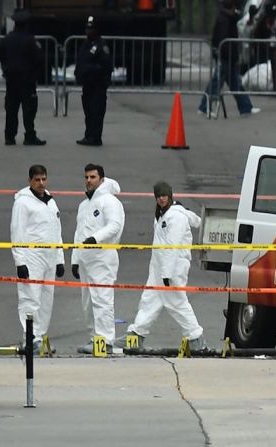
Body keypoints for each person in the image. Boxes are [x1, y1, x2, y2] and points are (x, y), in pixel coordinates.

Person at [116, 182, 206, 350]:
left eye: (164, 195)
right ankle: (136, 335)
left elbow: (172, 247)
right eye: (158, 196)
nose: (161, 199)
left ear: (170, 196)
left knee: (177, 303)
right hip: (159, 268)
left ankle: (196, 338)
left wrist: (167, 274)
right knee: (149, 301)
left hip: (172, 269)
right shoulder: (162, 214)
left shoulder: (176, 217)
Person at [71, 164, 125, 354]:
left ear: (101, 179)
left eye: (92, 177)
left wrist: (96, 238)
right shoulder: (84, 204)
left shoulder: (109, 201)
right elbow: (79, 233)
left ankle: (106, 340)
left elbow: (115, 225)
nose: (88, 180)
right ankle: (95, 338)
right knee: (88, 302)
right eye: (86, 177)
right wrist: (75, 260)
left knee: (102, 299)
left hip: (103, 257)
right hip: (86, 259)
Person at [10, 165, 64, 353]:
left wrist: (59, 258)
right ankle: (29, 337)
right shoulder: (23, 203)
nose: (41, 183)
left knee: (46, 299)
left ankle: (39, 337)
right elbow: (16, 232)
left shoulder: (50, 201)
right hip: (32, 257)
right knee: (30, 298)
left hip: (49, 256)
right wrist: (20, 262)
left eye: (44, 179)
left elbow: (57, 231)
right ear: (30, 180)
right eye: (37, 180)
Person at [198, 0, 260, 117]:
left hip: (227, 56)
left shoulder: (227, 18)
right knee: (217, 83)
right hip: (226, 56)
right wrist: (227, 55)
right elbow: (223, 41)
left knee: (235, 83)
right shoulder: (225, 20)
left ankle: (246, 107)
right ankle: (204, 106)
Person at [0, 10, 46, 146]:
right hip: (27, 81)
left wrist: (6, 70)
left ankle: (9, 136)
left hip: (11, 80)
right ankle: (29, 135)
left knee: (11, 109)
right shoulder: (30, 40)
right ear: (26, 24)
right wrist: (35, 74)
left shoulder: (6, 39)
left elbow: (2, 57)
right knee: (29, 110)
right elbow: (40, 59)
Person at [74, 16, 112, 146]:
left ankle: (95, 137)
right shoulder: (86, 44)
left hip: (98, 85)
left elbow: (106, 66)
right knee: (88, 112)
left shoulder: (101, 45)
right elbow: (81, 61)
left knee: (96, 111)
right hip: (87, 84)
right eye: (87, 28)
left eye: (91, 29)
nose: (88, 31)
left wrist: (91, 71)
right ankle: (88, 135)